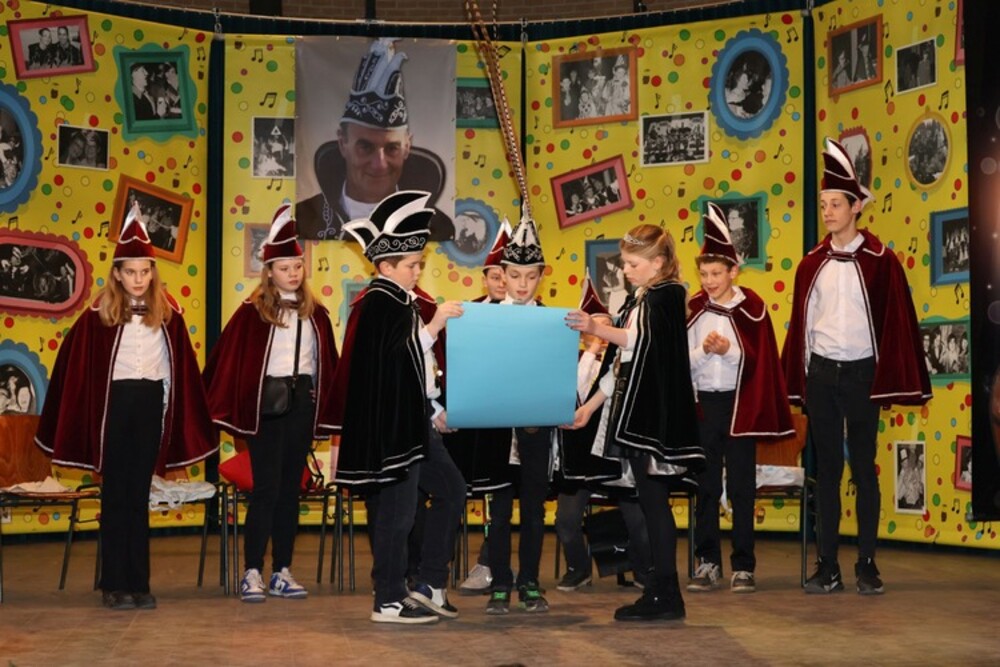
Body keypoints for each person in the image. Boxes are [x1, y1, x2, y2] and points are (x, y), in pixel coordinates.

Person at [34, 203, 217, 610]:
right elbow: (76, 368)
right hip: (113, 409)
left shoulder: (168, 314)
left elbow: (178, 369)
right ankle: (114, 584)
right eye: (130, 272)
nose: (138, 279)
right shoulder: (98, 315)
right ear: (117, 273)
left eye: (145, 271)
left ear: (153, 273)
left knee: (138, 495)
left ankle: (139, 582)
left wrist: (173, 415)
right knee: (116, 495)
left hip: (149, 406)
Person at [782, 138, 932, 595]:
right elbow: (802, 326)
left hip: (864, 374)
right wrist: (801, 378)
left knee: (864, 467)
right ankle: (827, 565)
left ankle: (867, 562)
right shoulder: (811, 264)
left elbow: (896, 324)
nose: (827, 211)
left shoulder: (881, 261)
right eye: (823, 204)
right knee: (828, 470)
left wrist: (890, 377)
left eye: (835, 204)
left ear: (856, 207)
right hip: (822, 375)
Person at [329, 190, 466, 624]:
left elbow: (416, 369)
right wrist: (436, 324)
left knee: (452, 490)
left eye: (419, 264)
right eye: (411, 265)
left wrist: (433, 408)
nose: (418, 271)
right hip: (393, 428)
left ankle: (429, 582)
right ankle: (388, 597)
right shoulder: (378, 302)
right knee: (397, 513)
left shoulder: (400, 300)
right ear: (386, 266)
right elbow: (394, 360)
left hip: (416, 421)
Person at [564, 224, 704, 622]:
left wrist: (595, 328)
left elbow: (639, 342)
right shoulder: (641, 298)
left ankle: (665, 593)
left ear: (657, 263)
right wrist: (591, 408)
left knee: (654, 504)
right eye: (624, 263)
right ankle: (661, 590)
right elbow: (620, 367)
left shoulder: (667, 295)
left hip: (652, 414)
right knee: (648, 501)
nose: (625, 270)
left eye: (632, 264)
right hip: (635, 412)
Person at [203, 204, 339, 603]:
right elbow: (230, 361)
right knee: (266, 489)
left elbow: (326, 363)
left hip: (301, 406)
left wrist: (322, 403)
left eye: (297, 266)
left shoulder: (316, 314)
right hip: (265, 409)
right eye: (284, 267)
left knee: (290, 490)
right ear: (269, 272)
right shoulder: (252, 313)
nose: (293, 273)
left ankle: (282, 569)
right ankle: (252, 571)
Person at [685, 203, 793, 595]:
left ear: (733, 271)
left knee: (742, 487)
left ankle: (743, 565)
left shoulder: (753, 308)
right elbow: (682, 362)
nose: (709, 281)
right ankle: (708, 561)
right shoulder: (693, 309)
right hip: (704, 407)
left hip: (740, 407)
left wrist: (729, 350)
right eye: (704, 274)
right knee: (706, 486)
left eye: (716, 273)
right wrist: (705, 352)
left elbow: (761, 363)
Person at [296, 38, 452, 241]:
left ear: (407, 146)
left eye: (392, 148)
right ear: (343, 143)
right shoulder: (303, 219)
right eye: (365, 147)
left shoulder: (438, 226)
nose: (379, 164)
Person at [555, 271, 652, 592]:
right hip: (579, 458)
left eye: (604, 327)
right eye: (590, 328)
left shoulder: (621, 364)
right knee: (566, 519)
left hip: (613, 456)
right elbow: (575, 391)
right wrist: (592, 350)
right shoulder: (570, 362)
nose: (598, 335)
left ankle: (643, 570)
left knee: (638, 517)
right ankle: (578, 569)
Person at [450, 220, 511, 595]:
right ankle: (440, 566)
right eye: (495, 276)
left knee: (506, 497)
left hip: (516, 422)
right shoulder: (468, 314)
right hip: (477, 424)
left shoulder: (532, 313)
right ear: (485, 279)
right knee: (467, 490)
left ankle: (493, 565)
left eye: (508, 275)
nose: (502, 282)